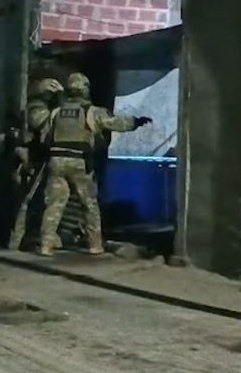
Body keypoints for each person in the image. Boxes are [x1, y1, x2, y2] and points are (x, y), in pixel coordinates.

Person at [38, 72, 153, 257]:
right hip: (80, 163)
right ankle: (95, 245)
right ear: (85, 89)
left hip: (56, 161)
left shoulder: (56, 112)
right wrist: (136, 122)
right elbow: (115, 123)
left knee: (54, 205)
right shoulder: (91, 111)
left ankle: (45, 245)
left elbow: (45, 136)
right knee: (89, 204)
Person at [8, 78, 65, 251]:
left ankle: (29, 237)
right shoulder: (36, 108)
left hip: (38, 156)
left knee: (39, 200)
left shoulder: (44, 108)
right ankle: (16, 240)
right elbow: (43, 126)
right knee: (27, 200)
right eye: (53, 95)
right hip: (30, 157)